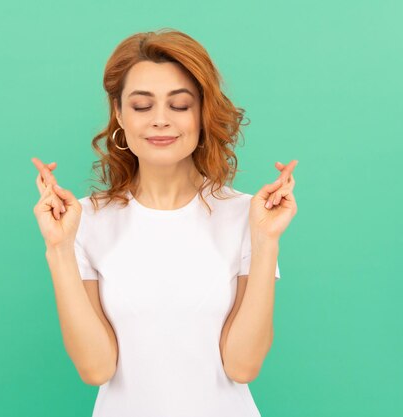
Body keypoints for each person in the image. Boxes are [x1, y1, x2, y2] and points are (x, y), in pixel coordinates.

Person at [32, 28, 298, 417]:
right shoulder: (84, 220)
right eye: (142, 106)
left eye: (179, 105)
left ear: (202, 114)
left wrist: (266, 240)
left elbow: (243, 366)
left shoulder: (247, 216)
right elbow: (96, 368)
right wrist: (58, 248)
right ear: (119, 114)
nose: (160, 120)